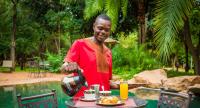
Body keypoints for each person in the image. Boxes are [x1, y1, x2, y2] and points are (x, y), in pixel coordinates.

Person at [61, 14, 118, 98]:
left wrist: (125, 86)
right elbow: (63, 68)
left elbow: (106, 82)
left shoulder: (108, 52)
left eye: (107, 30)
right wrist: (68, 67)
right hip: (82, 101)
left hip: (104, 102)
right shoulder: (80, 44)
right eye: (100, 28)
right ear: (94, 26)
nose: (103, 32)